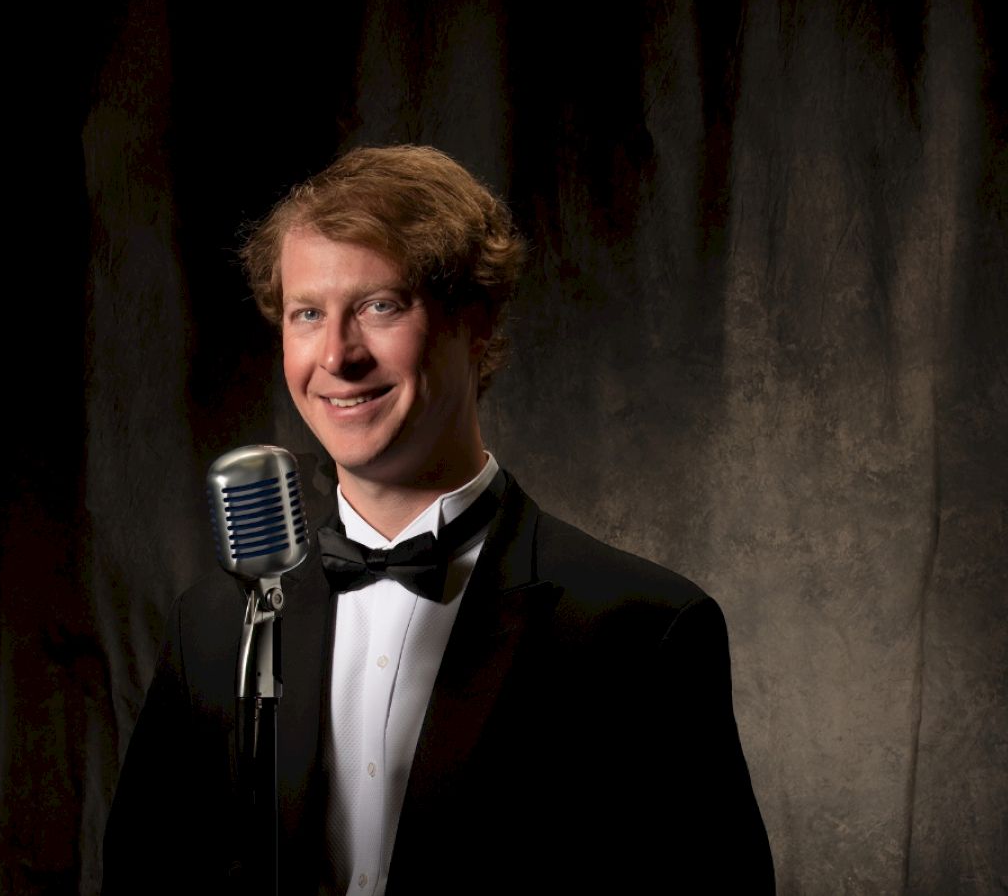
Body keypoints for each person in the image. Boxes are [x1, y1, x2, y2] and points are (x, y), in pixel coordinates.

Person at [103, 145, 775, 894]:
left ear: (476, 323)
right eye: (307, 314)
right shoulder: (214, 626)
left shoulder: (644, 630)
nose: (337, 355)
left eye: (380, 305)